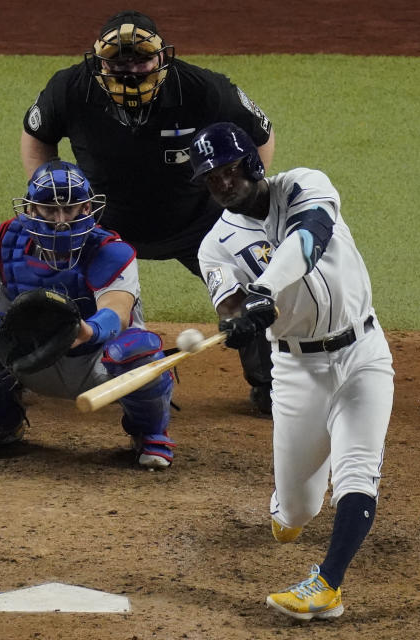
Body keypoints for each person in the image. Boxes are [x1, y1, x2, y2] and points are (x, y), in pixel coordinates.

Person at [20, 9, 277, 414]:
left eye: (140, 60)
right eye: (118, 62)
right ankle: (26, 368)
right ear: (100, 63)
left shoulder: (202, 89)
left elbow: (259, 135)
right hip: (103, 225)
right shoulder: (70, 88)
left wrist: (242, 203)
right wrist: (55, 205)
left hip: (197, 221)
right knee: (41, 276)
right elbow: (37, 134)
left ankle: (272, 382)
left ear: (161, 58)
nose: (130, 71)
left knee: (255, 278)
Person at [190, 122, 395, 620]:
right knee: (300, 509)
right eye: (210, 178)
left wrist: (265, 288)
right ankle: (287, 508)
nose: (221, 184)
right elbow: (232, 307)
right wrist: (238, 322)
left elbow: (309, 240)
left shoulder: (306, 184)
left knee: (356, 471)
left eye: (228, 170)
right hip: (298, 371)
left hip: (363, 353)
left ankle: (327, 585)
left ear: (253, 163)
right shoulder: (214, 246)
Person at [0, 160, 176, 470]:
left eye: (70, 209)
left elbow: (117, 312)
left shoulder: (110, 250)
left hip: (99, 367)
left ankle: (149, 433)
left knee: (138, 348)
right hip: (33, 361)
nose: (61, 221)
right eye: (50, 209)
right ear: (31, 209)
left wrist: (86, 332)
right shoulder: (6, 243)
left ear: (86, 207)